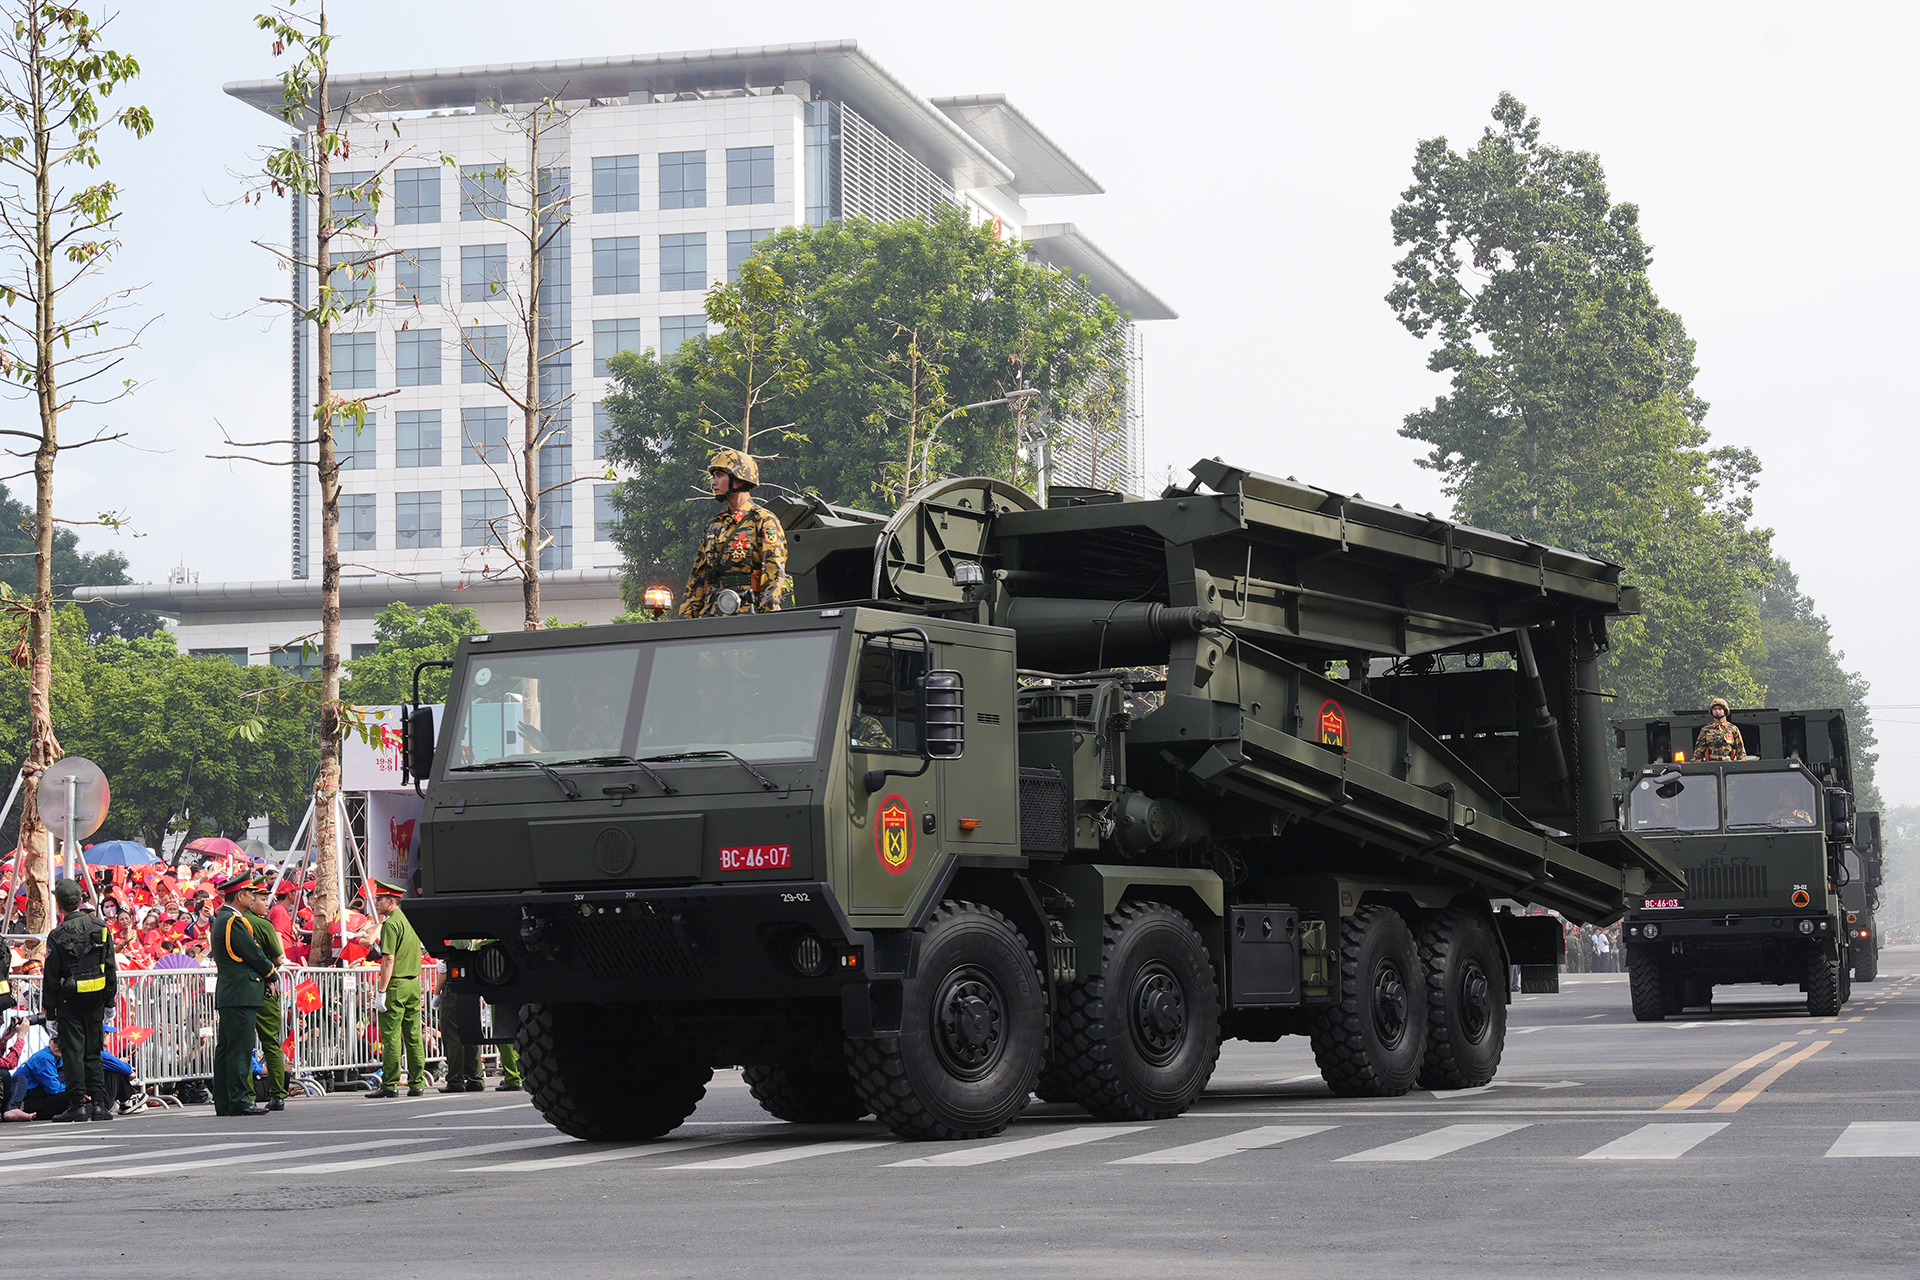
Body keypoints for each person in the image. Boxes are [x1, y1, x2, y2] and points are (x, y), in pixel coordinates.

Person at [679, 449, 788, 618]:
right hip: (712, 615)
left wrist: (768, 617)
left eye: (720, 475)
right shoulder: (714, 525)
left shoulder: (763, 520)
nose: (714, 482)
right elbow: (698, 577)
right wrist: (687, 619)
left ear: (738, 479)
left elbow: (774, 571)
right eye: (713, 476)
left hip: (748, 614)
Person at [41, 877, 116, 1122]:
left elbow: (51, 976)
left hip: (69, 1002)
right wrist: (110, 1001)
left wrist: (50, 1012)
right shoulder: (100, 927)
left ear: (60, 905)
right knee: (94, 1051)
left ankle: (77, 1105)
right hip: (96, 1000)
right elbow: (110, 967)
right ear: (81, 899)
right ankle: (98, 1105)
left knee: (73, 1053)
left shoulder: (57, 934)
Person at [209, 873, 273, 1117]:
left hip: (232, 992)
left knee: (227, 1049)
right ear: (240, 896)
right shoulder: (232, 921)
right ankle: (239, 1099)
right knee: (239, 1049)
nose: (253, 896)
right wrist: (271, 974)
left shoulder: (226, 918)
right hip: (240, 992)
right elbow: (253, 953)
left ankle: (225, 1100)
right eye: (250, 893)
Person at [368, 879, 425, 1099]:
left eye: (379, 899)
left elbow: (388, 959)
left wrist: (381, 991)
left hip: (397, 983)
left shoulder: (391, 923)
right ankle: (417, 1082)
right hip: (413, 982)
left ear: (391, 901)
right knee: (413, 1035)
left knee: (391, 1036)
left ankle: (390, 1084)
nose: (376, 902)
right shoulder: (408, 920)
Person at [242, 875, 290, 1111]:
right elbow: (278, 958)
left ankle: (248, 1094)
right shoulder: (262, 924)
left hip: (242, 991)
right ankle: (278, 1093)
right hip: (263, 988)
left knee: (244, 1044)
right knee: (270, 1042)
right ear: (250, 900)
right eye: (262, 898)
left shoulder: (234, 921)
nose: (266, 903)